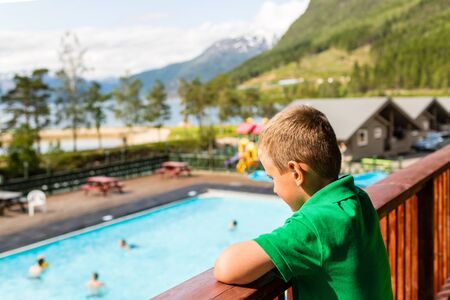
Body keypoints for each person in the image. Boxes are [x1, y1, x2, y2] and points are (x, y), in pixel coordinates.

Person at [214, 105, 393, 299]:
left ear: (296, 173)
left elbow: (226, 267)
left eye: (272, 177)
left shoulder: (314, 225)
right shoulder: (357, 198)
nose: (274, 189)